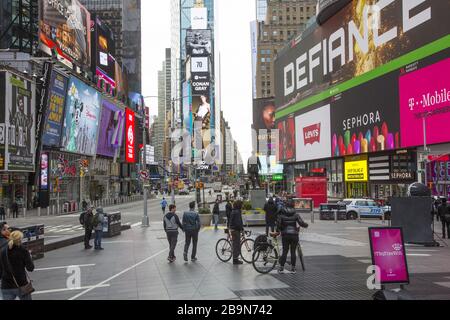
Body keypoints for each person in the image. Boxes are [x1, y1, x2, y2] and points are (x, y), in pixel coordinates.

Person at [276, 199, 309, 274]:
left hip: (285, 235)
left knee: (285, 251)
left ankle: (281, 268)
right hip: (294, 235)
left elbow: (278, 225)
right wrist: (306, 225)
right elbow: (301, 223)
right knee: (293, 252)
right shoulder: (296, 214)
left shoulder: (281, 215)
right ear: (293, 206)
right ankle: (293, 269)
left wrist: (280, 230)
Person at [0, 231, 34, 300]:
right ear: (20, 239)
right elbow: (30, 268)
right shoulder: (23, 250)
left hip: (6, 285)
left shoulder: (3, 251)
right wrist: (29, 257)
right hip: (21, 284)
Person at [229, 200, 244, 265]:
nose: (242, 206)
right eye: (241, 205)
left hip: (233, 229)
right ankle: (235, 260)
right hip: (235, 230)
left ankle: (236, 258)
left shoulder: (234, 210)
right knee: (236, 244)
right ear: (239, 205)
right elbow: (238, 222)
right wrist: (241, 229)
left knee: (236, 244)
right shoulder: (237, 212)